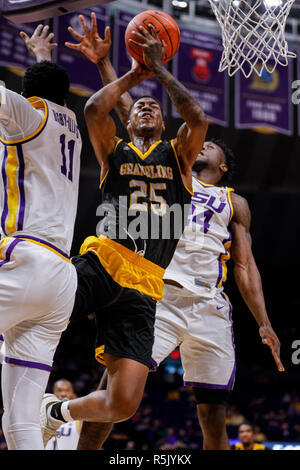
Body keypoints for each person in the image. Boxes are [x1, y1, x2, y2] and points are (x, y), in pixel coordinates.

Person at [55, 14, 283, 451]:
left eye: (210, 146)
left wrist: (264, 321)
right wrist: (113, 67)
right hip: (155, 289)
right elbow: (128, 116)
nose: (203, 144)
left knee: (214, 417)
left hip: (209, 304)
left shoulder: (233, 201)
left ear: (221, 165)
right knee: (115, 387)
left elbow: (246, 265)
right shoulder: (167, 164)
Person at [40, 13, 208, 446]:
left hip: (147, 284)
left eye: (153, 106)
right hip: (104, 259)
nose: (146, 106)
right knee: (39, 308)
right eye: (138, 107)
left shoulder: (178, 156)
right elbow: (96, 107)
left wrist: (159, 69)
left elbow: (197, 116)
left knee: (124, 403)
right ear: (127, 123)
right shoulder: (114, 150)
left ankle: (56, 410)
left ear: (165, 125)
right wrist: (136, 72)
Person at [0, 25, 82, 450]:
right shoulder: (72, 126)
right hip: (61, 280)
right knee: (21, 418)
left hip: (27, 257)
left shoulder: (27, 112)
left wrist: (34, 67)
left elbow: (25, 99)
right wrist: (40, 60)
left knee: (20, 417)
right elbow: (49, 92)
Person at [45, 379, 82, 450]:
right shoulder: (43, 415)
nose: (63, 394)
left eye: (67, 391)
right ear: (52, 394)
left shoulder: (80, 418)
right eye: (59, 390)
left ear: (73, 395)